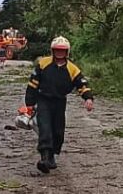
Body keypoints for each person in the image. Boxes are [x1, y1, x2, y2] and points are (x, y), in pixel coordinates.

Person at [24, 36, 93, 173]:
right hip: (43, 99)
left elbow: (82, 84)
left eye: (62, 51)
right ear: (52, 51)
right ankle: (44, 158)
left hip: (60, 102)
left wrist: (88, 99)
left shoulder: (72, 69)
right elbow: (32, 85)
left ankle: (51, 156)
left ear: (67, 52)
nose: (59, 53)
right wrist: (29, 104)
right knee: (45, 128)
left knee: (58, 131)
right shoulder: (43, 64)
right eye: (57, 50)